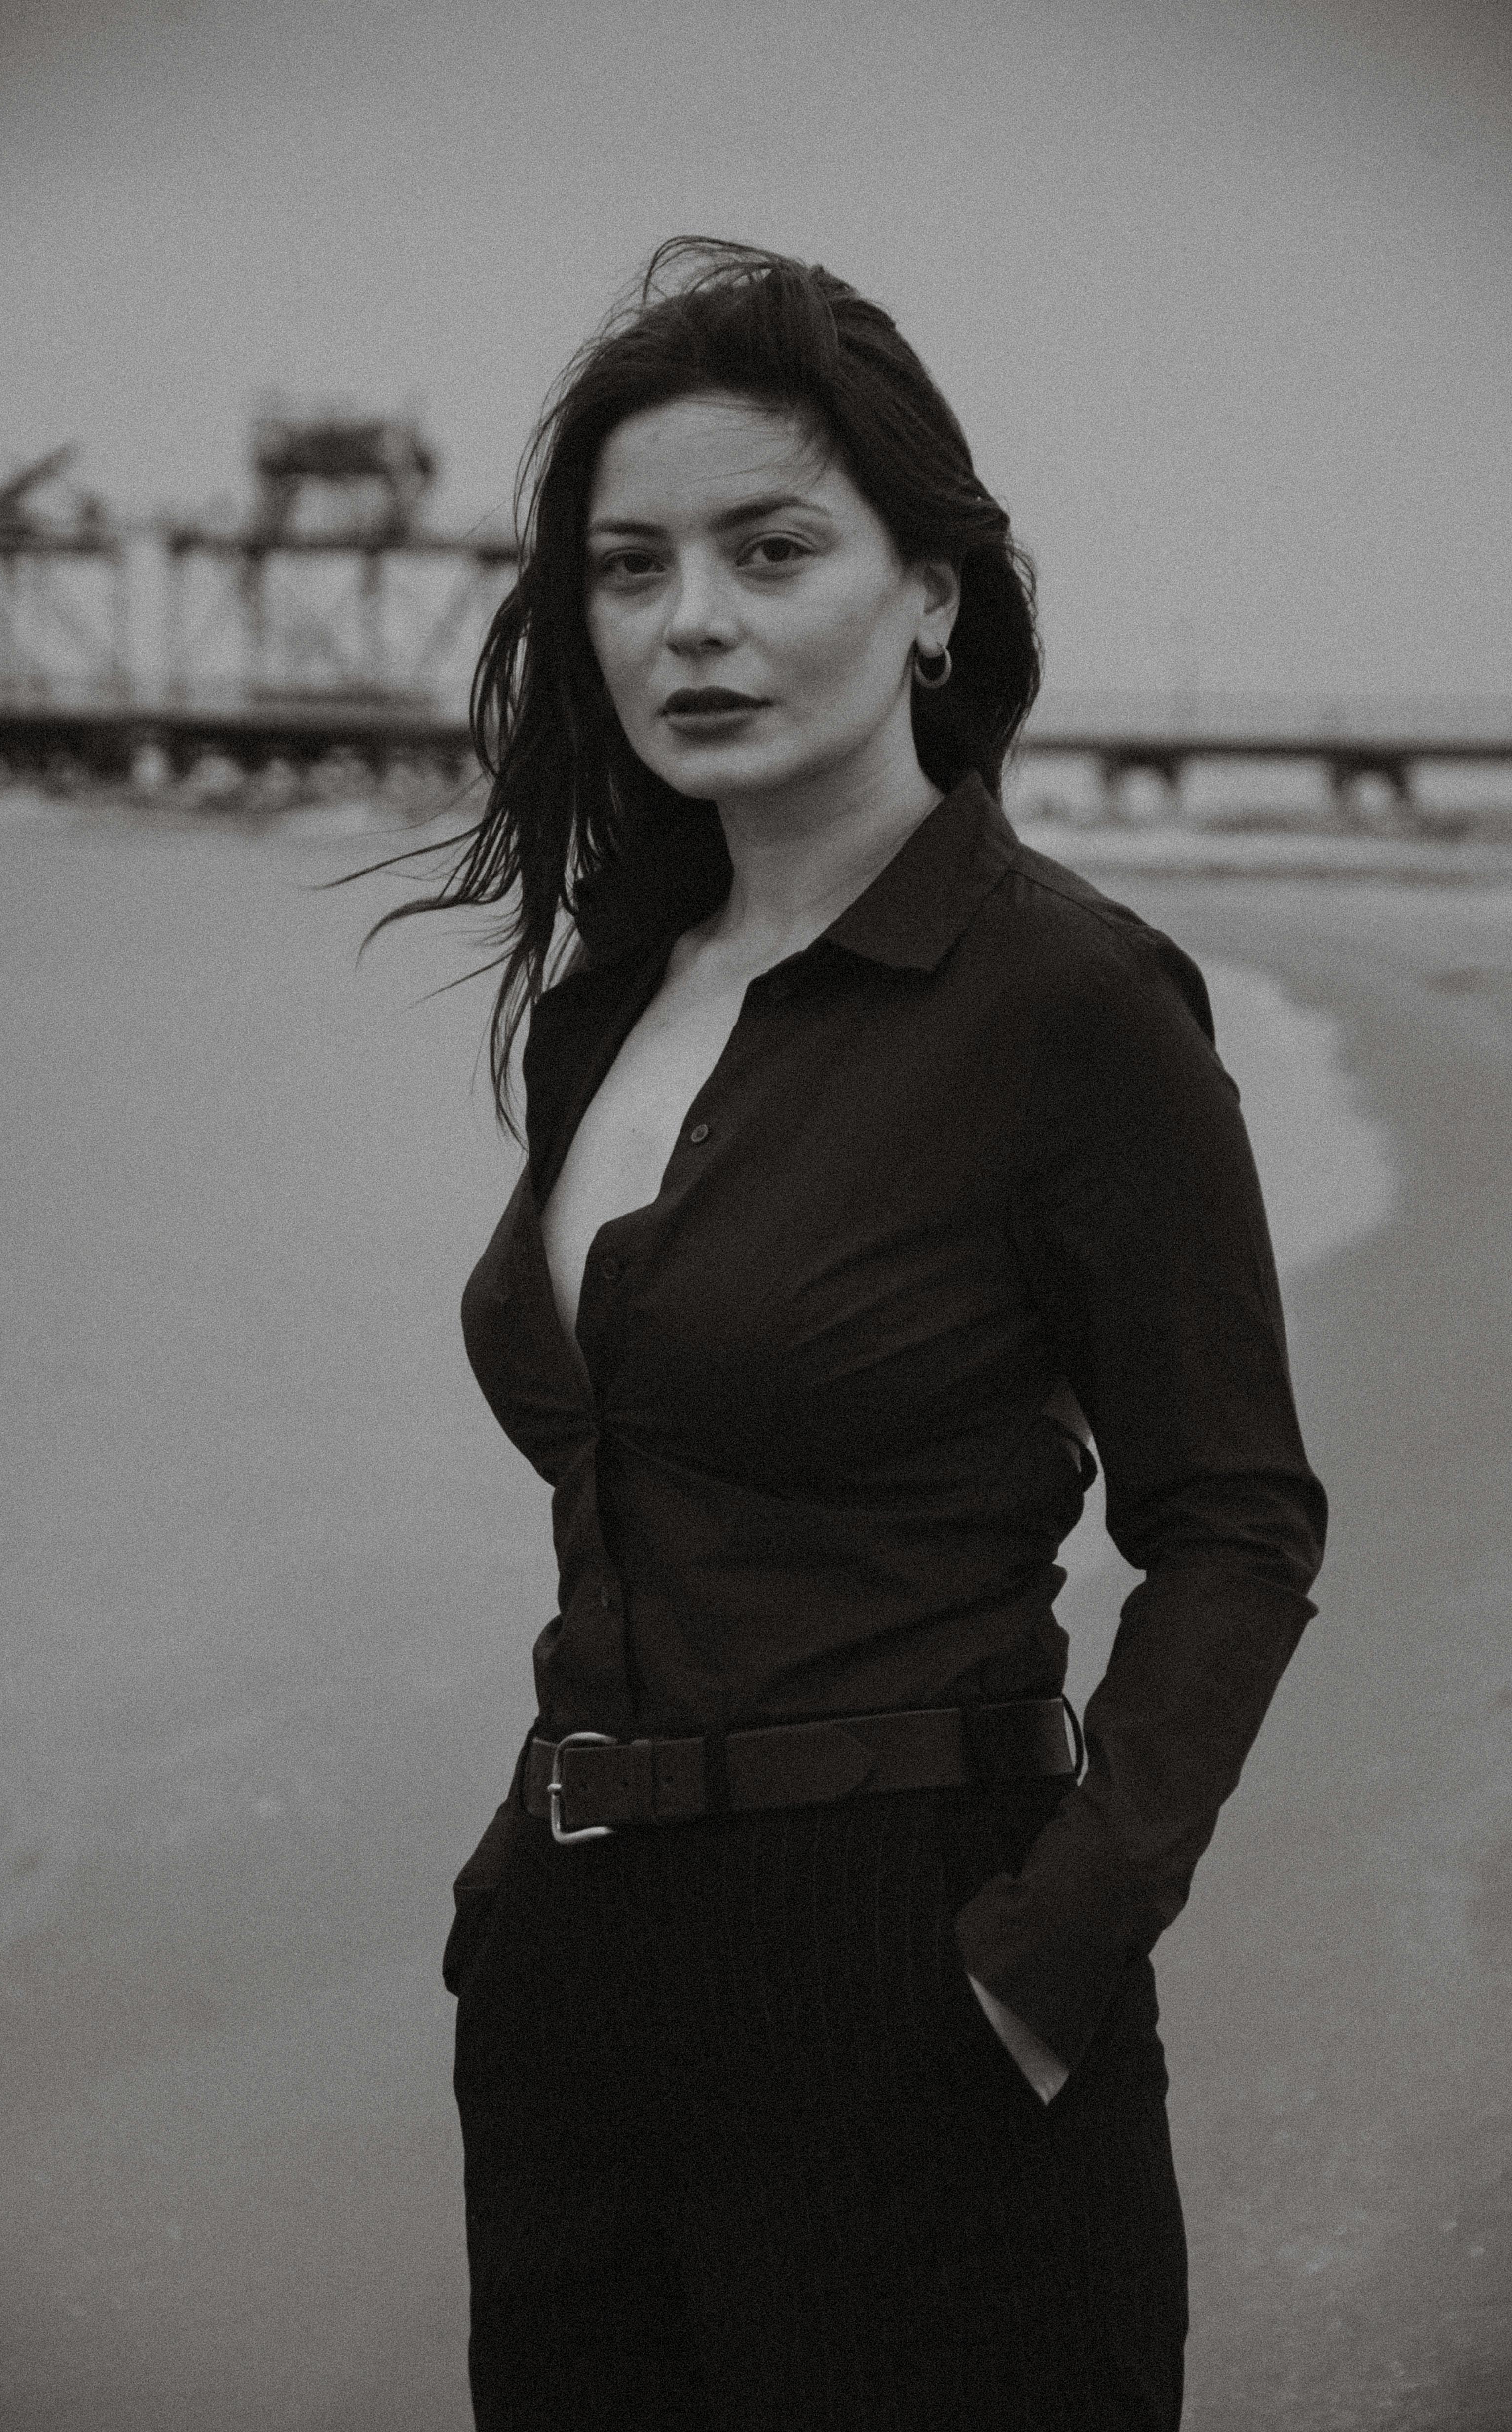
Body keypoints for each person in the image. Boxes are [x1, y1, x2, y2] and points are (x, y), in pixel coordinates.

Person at [371, 240, 1327, 2431]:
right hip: (574, 1978)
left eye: (770, 547)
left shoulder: (1069, 1002)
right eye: (629, 566)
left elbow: (1237, 1518)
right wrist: (514, 1900)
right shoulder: (618, 990)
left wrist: (1058, 1945)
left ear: (930, 594)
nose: (687, 618)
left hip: (918, 1982)